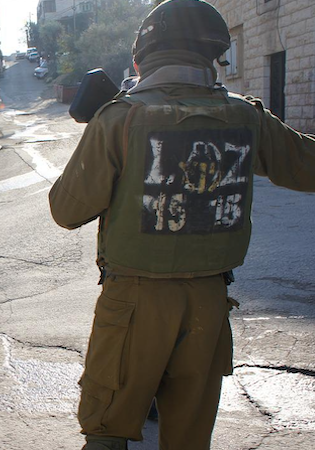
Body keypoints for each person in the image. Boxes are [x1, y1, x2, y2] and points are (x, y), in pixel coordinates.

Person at [48, 1, 315, 449]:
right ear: (215, 55)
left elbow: (66, 210)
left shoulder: (120, 117)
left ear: (141, 59)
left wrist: (98, 130)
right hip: (210, 302)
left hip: (134, 301)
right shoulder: (247, 115)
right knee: (190, 438)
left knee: (107, 430)